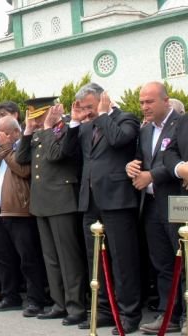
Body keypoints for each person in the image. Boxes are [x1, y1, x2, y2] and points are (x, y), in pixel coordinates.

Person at [61, 83, 141, 334]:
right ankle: (104, 309)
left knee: (122, 258)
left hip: (117, 199)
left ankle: (129, 313)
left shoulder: (125, 118)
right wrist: (74, 123)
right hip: (90, 200)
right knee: (95, 258)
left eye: (89, 107)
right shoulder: (85, 126)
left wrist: (104, 115)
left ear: (103, 99)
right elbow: (67, 152)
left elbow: (119, 141)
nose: (86, 112)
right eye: (82, 108)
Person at [15, 97, 87, 326]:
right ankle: (59, 304)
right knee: (51, 258)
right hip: (42, 202)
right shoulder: (39, 133)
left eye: (36, 117)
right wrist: (27, 131)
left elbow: (56, 155)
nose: (33, 121)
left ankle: (76, 306)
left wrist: (47, 128)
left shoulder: (64, 129)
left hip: (61, 200)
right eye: (31, 118)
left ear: (49, 113)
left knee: (68, 258)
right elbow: (21, 158)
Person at [126, 82, 182, 334]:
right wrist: (132, 168)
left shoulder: (181, 123)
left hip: (178, 202)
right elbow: (141, 159)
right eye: (141, 102)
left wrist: (153, 176)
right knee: (162, 263)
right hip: (150, 205)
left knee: (184, 259)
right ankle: (167, 314)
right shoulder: (145, 130)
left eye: (149, 102)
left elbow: (179, 161)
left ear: (165, 101)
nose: (144, 107)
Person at [0, 115, 48, 318]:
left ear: (14, 132)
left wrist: (7, 148)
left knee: (28, 258)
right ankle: (10, 297)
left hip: (20, 211)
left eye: (3, 133)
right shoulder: (2, 150)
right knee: (4, 258)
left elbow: (23, 170)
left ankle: (36, 299)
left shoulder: (22, 147)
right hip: (1, 212)